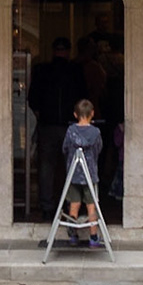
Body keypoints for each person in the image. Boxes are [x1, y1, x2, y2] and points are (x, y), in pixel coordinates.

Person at [25, 38, 86, 216]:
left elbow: (33, 98)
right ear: (68, 51)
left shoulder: (42, 70)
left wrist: (41, 114)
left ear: (53, 51)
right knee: (73, 167)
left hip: (48, 125)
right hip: (71, 126)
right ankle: (71, 206)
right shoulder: (75, 71)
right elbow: (83, 98)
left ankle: (47, 206)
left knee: (47, 167)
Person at [60, 99, 103, 248]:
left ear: (75, 114)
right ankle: (93, 236)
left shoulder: (71, 131)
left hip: (74, 174)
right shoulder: (96, 132)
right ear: (92, 113)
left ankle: (73, 234)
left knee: (74, 204)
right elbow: (98, 149)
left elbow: (65, 148)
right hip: (90, 174)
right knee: (91, 205)